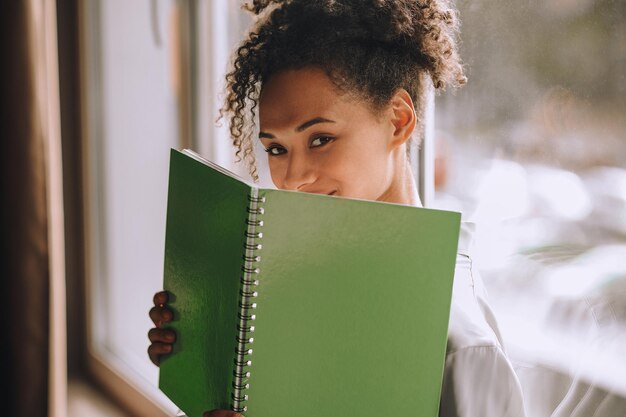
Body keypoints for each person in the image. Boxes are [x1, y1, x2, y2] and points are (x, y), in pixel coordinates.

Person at [148, 1, 526, 416]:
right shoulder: (289, 283)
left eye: (320, 139)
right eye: (276, 148)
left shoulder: (458, 343)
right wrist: (201, 357)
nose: (292, 179)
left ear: (398, 120)